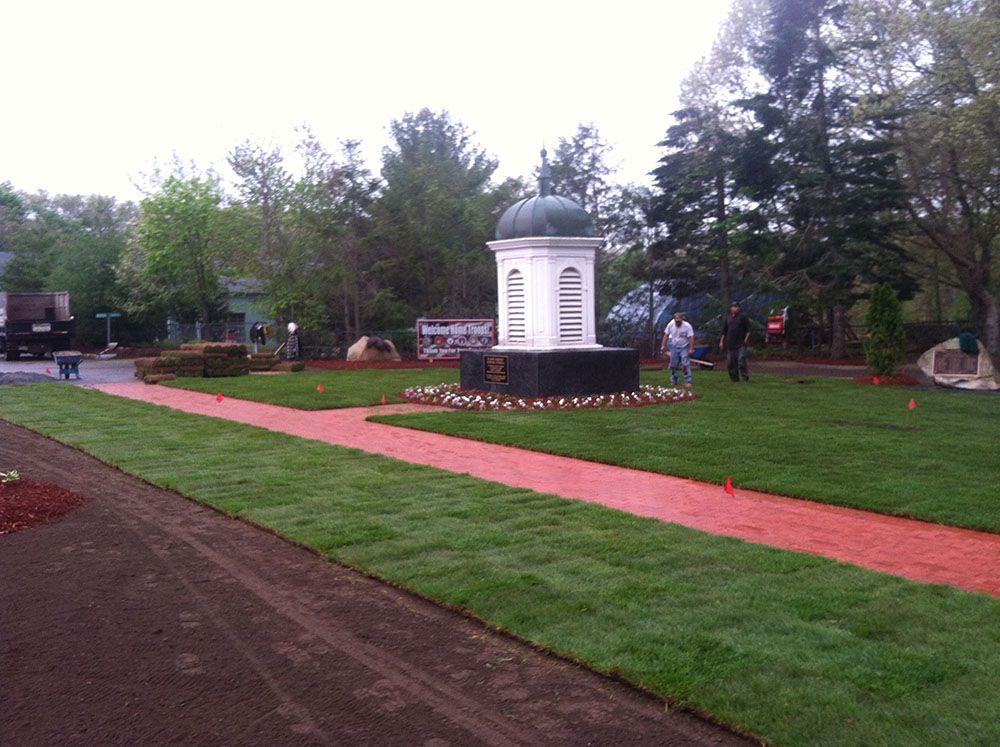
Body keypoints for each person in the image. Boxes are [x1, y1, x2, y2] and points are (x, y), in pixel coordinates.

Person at [660, 311, 695, 388]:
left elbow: (691, 337)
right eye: (676, 321)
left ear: (682, 320)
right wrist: (663, 346)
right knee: (673, 364)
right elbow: (666, 335)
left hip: (684, 346)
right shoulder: (671, 324)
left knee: (685, 363)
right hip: (674, 346)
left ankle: (687, 381)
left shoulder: (687, 326)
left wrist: (691, 349)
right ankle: (674, 380)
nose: (677, 323)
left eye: (679, 321)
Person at [719, 300, 752, 382]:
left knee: (741, 361)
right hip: (730, 343)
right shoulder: (728, 318)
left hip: (740, 343)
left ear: (739, 308)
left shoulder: (743, 317)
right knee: (731, 363)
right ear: (731, 308)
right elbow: (724, 331)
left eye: (736, 307)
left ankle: (745, 378)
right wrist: (721, 341)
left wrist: (745, 340)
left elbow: (748, 330)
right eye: (733, 307)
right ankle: (734, 379)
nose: (735, 308)